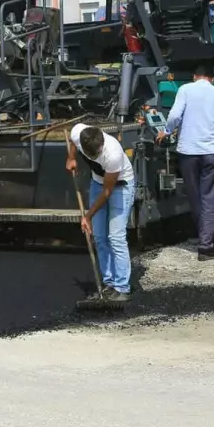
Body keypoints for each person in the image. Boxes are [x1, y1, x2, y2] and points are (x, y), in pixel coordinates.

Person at [159, 63, 214, 260]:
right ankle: (208, 241)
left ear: (194, 76)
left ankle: (205, 241)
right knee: (209, 197)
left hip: (189, 152)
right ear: (211, 78)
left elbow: (174, 116)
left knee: (195, 197)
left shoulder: (185, 89)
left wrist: (168, 131)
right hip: (211, 151)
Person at [67, 124, 135, 302]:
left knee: (116, 236)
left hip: (121, 186)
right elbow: (71, 140)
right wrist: (71, 158)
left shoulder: (113, 154)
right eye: (93, 155)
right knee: (99, 236)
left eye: (98, 152)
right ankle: (109, 283)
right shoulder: (78, 134)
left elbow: (108, 192)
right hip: (98, 184)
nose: (97, 155)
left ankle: (122, 288)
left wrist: (88, 216)